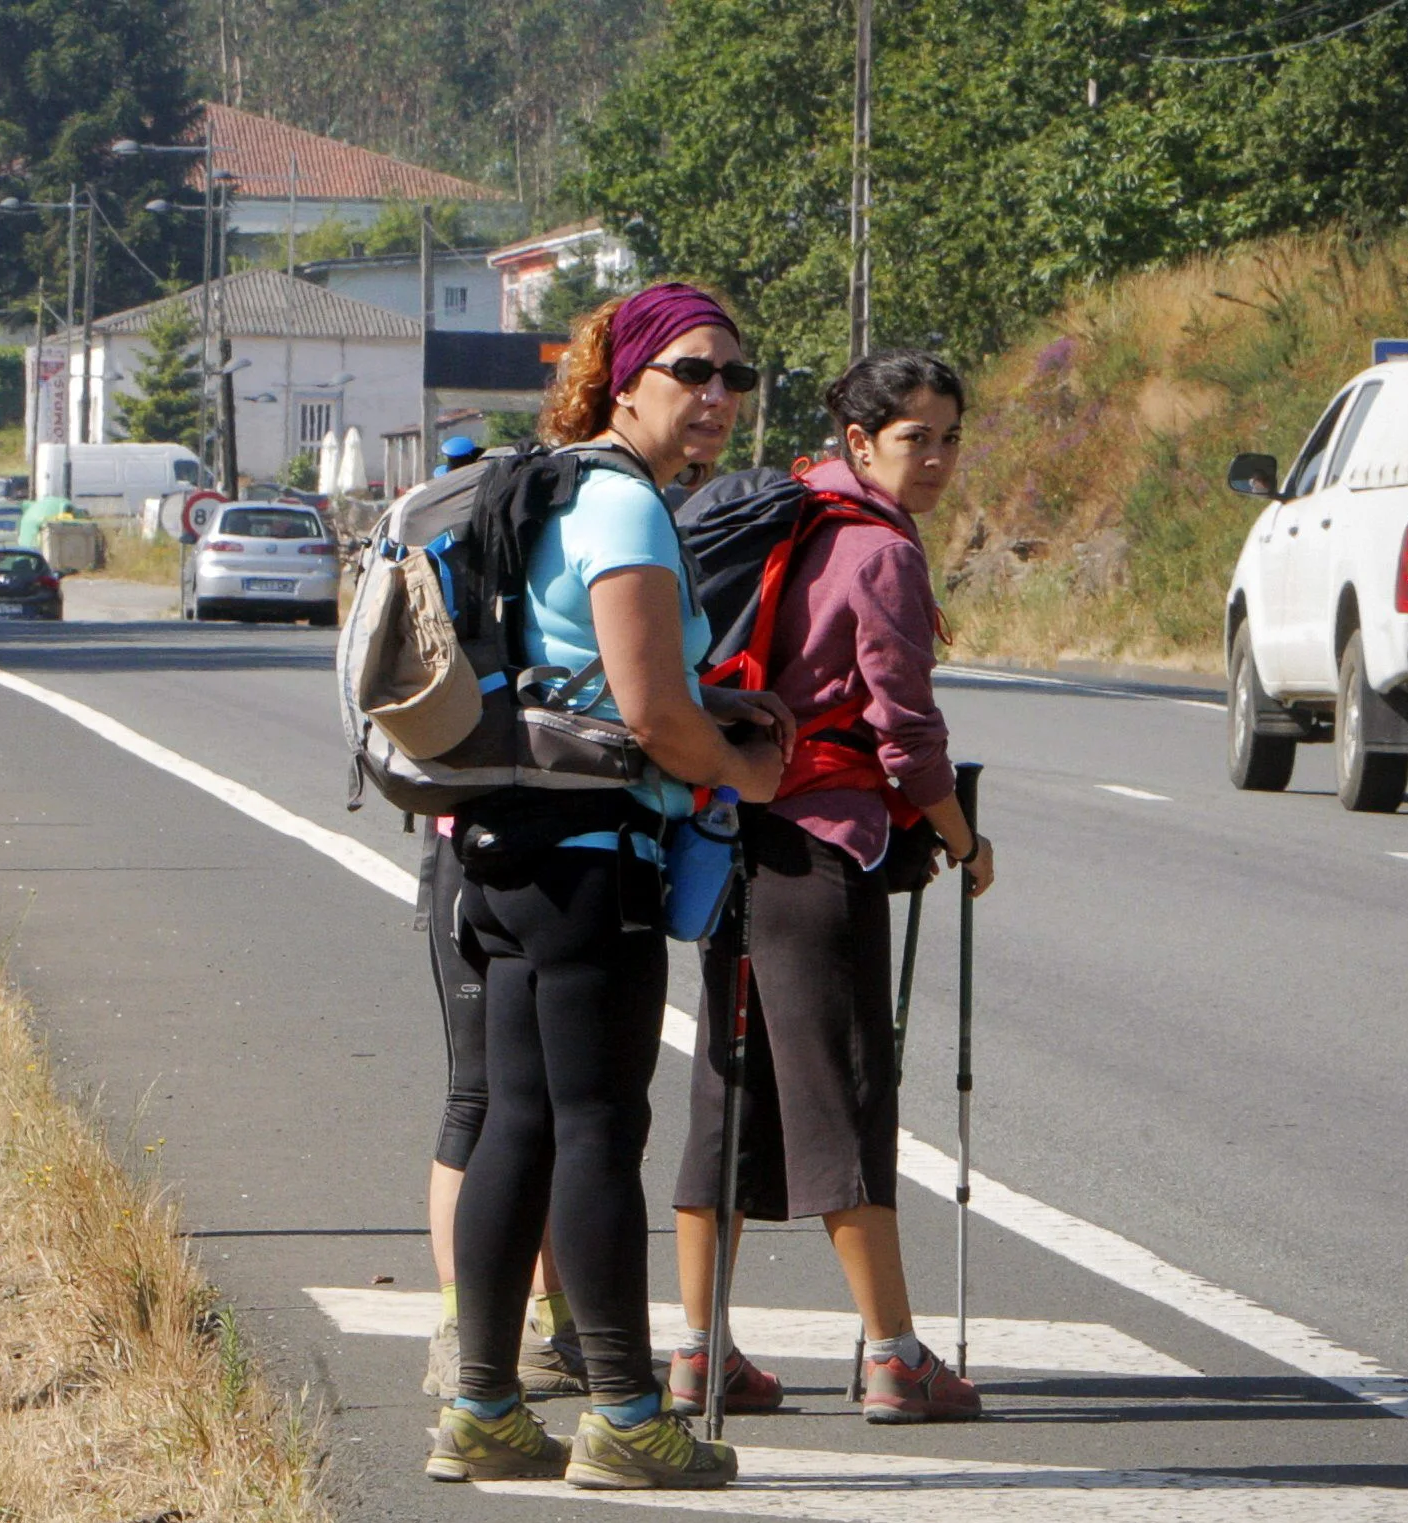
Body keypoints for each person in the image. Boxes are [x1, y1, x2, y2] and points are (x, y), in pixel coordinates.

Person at [425, 283, 788, 1489]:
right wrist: (741, 762)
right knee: (596, 1129)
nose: (718, 396)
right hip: (593, 859)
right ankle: (628, 1413)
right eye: (692, 370)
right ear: (623, 377)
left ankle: (480, 1406)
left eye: (734, 376)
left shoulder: (545, 485)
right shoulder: (623, 505)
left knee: (518, 1124)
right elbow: (649, 711)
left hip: (502, 845)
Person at [666, 350, 995, 1425]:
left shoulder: (788, 517)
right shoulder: (878, 551)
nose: (937, 458)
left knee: (729, 1092)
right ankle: (894, 1357)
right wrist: (962, 836)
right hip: (819, 851)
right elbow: (904, 734)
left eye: (948, 435)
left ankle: (700, 1350)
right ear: (861, 443)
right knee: (846, 1096)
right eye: (916, 438)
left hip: (734, 837)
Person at [416, 815, 583, 1401]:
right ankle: (461, 1329)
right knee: (478, 1093)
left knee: (557, 1095)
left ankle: (558, 1326)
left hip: (566, 846)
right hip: (476, 842)